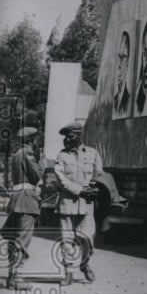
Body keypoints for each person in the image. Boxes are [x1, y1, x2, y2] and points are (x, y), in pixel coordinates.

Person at [53, 121, 104, 284]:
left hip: (87, 205)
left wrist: (94, 188)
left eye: (70, 136)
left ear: (79, 136)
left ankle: (84, 263)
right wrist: (80, 190)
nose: (66, 139)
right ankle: (68, 272)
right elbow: (61, 180)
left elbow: (99, 174)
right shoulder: (62, 156)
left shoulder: (93, 154)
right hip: (67, 204)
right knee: (67, 239)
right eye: (65, 137)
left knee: (88, 238)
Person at [1, 127, 42, 289]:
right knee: (23, 240)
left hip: (17, 198)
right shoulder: (28, 154)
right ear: (32, 139)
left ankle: (12, 276)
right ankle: (16, 278)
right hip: (26, 200)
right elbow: (37, 176)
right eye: (37, 139)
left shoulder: (17, 154)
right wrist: (41, 163)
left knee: (13, 239)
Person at [113, 30, 132, 114]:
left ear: (128, 63)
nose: (119, 65)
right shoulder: (115, 100)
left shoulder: (128, 99)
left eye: (123, 57)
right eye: (118, 57)